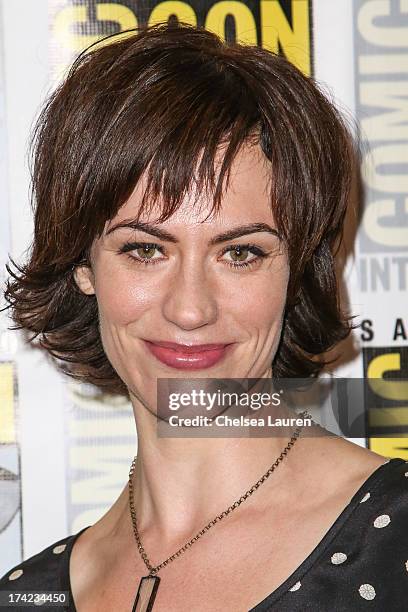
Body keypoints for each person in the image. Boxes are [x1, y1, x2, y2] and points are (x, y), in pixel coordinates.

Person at [0, 22, 407, 612]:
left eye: (240, 253)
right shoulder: (26, 596)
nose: (190, 308)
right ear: (82, 265)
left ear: (295, 271)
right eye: (144, 250)